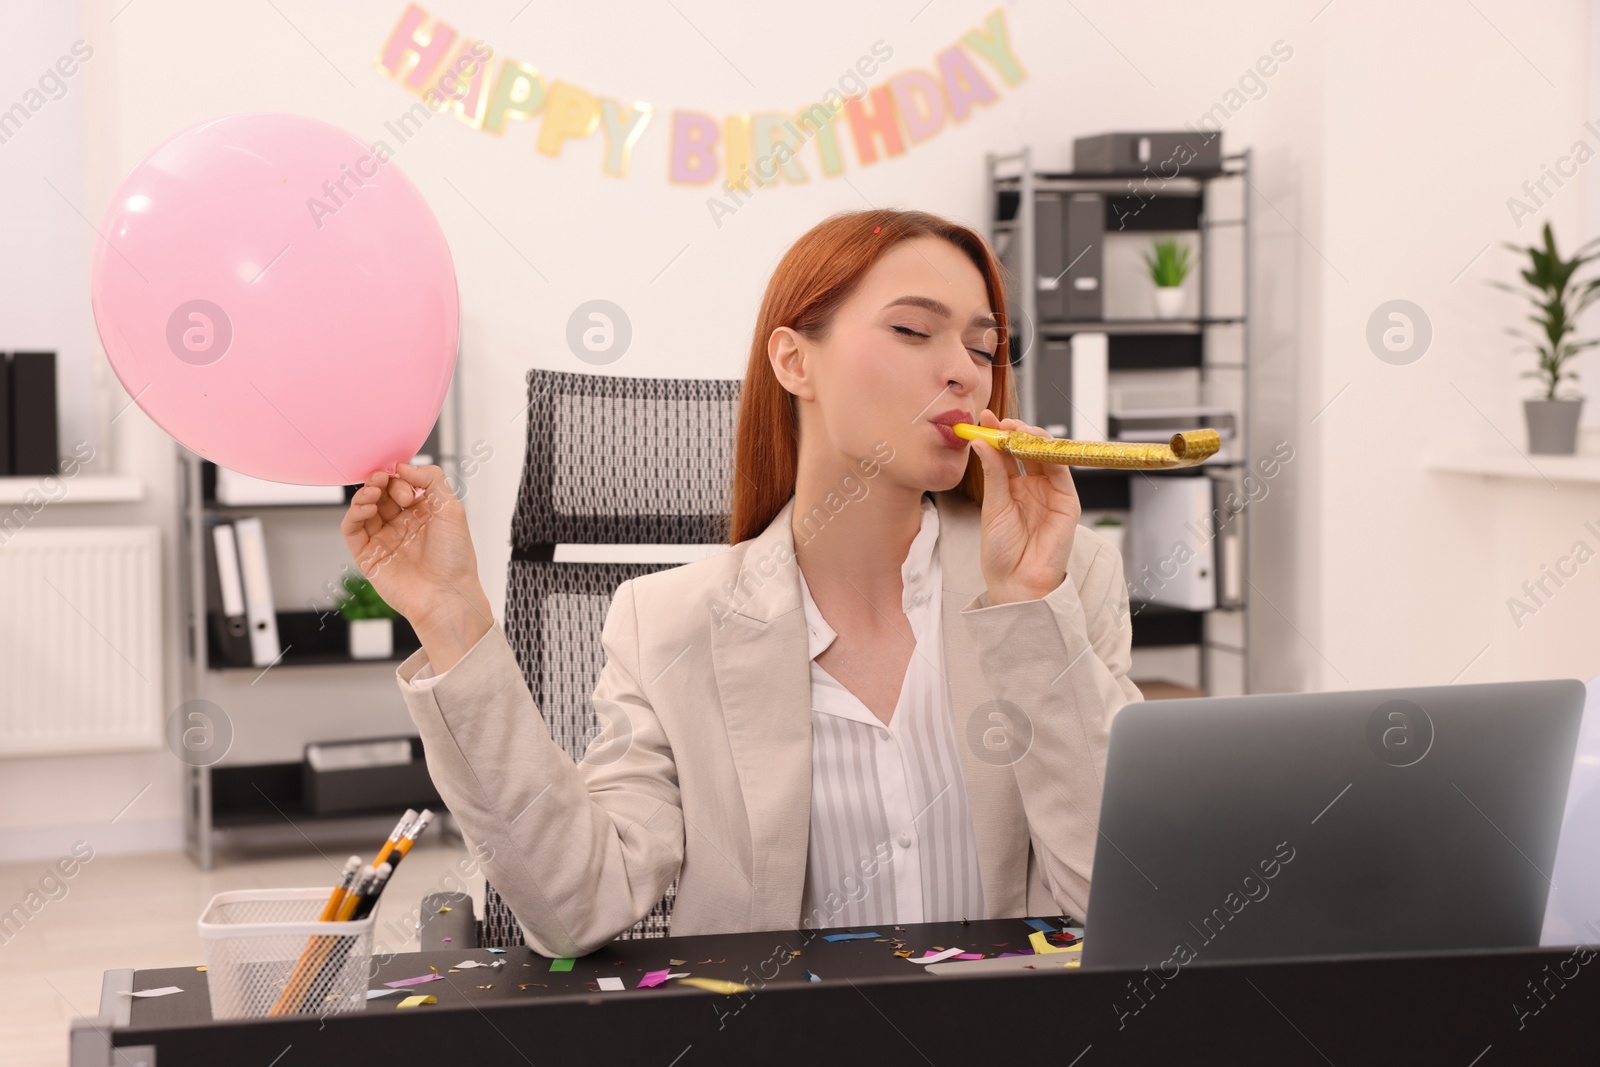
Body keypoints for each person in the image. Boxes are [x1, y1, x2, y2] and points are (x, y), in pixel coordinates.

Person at [341, 208, 1143, 959]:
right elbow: (574, 904)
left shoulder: (1063, 580)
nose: (964, 374)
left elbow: (1120, 894)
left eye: (982, 346)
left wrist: (1030, 605)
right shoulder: (667, 622)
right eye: (911, 329)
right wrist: (451, 617)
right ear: (795, 360)